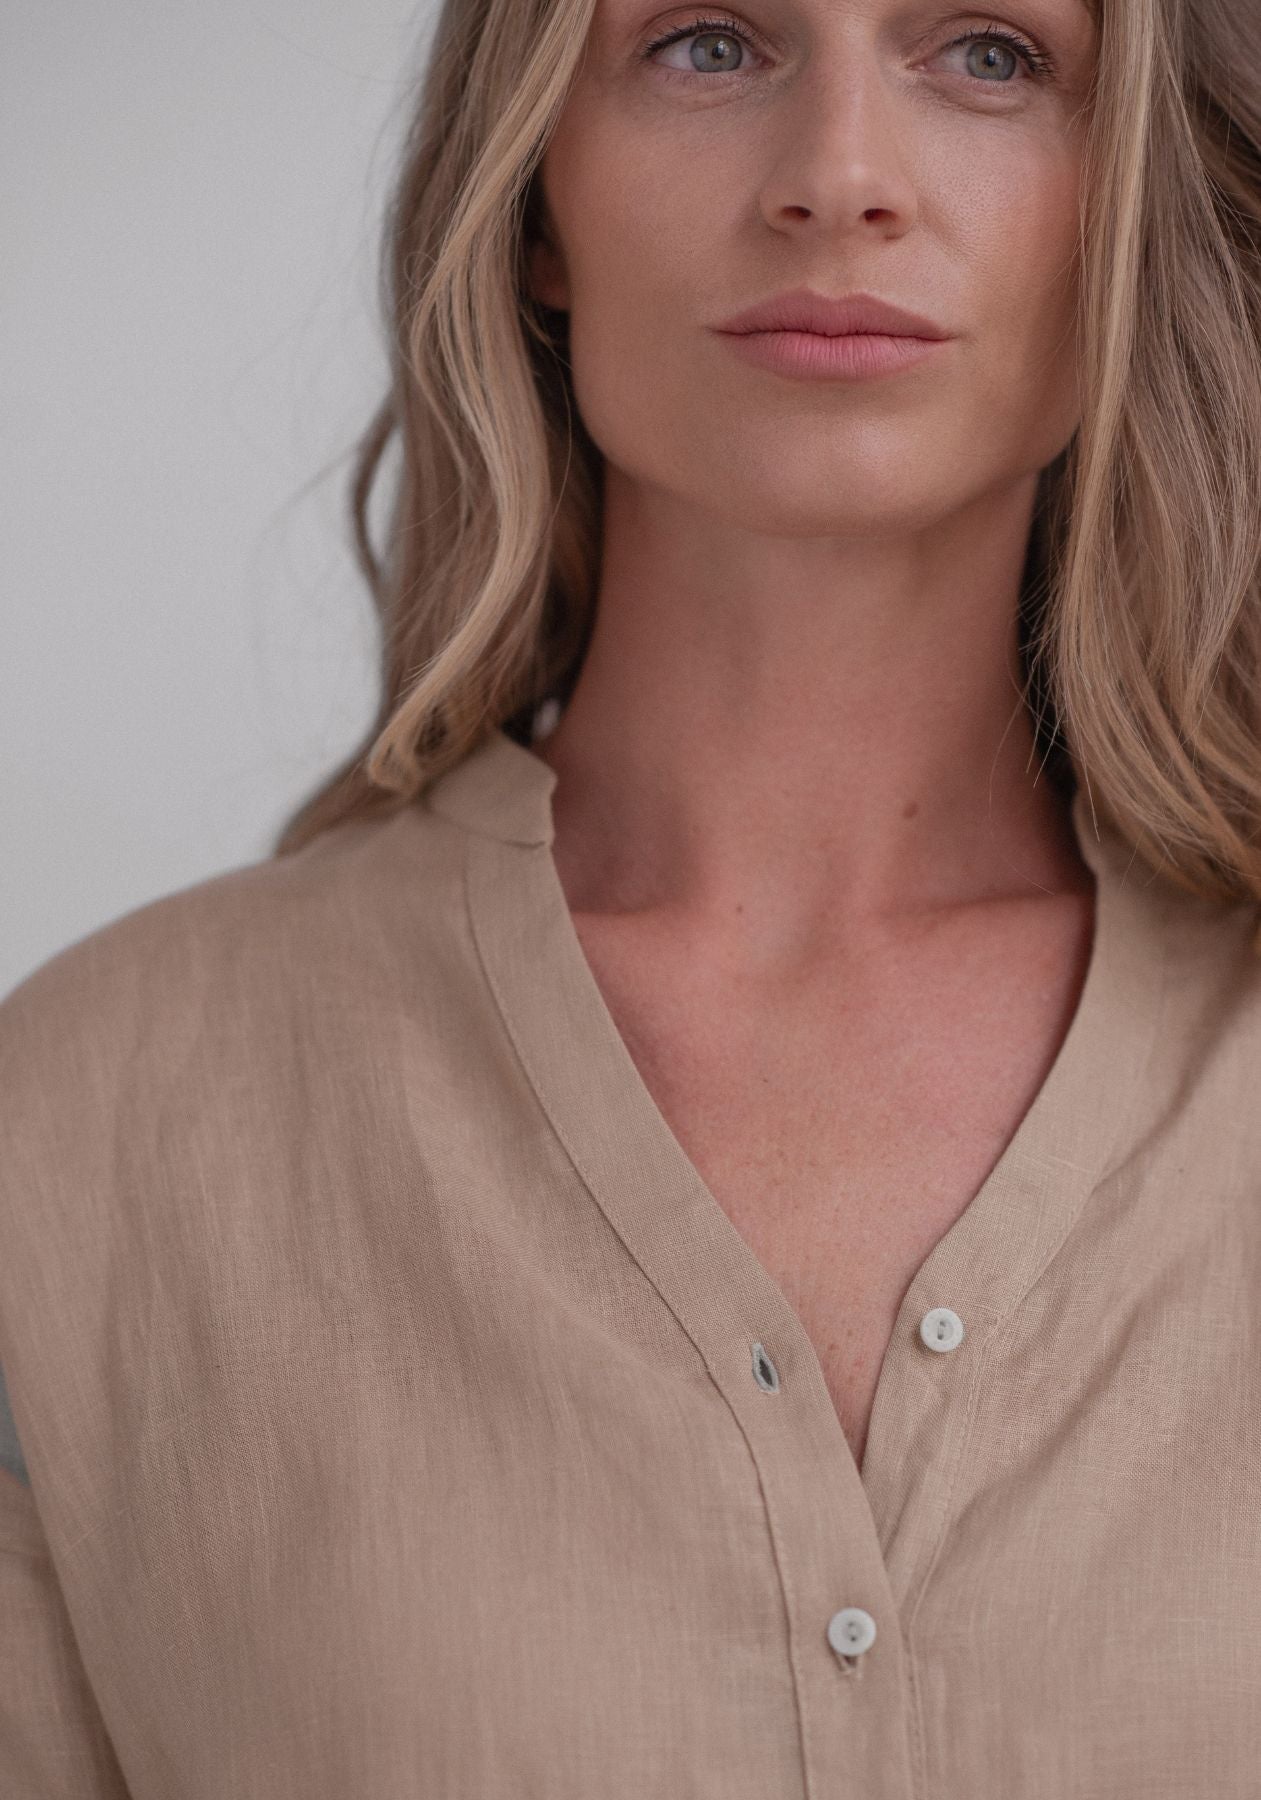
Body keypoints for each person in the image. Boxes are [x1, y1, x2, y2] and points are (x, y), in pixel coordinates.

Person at [3, 0, 1261, 1794]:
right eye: (705, 44)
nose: (839, 178)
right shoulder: (88, 1122)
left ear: (1133, 205)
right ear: (533, 203)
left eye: (989, 54)